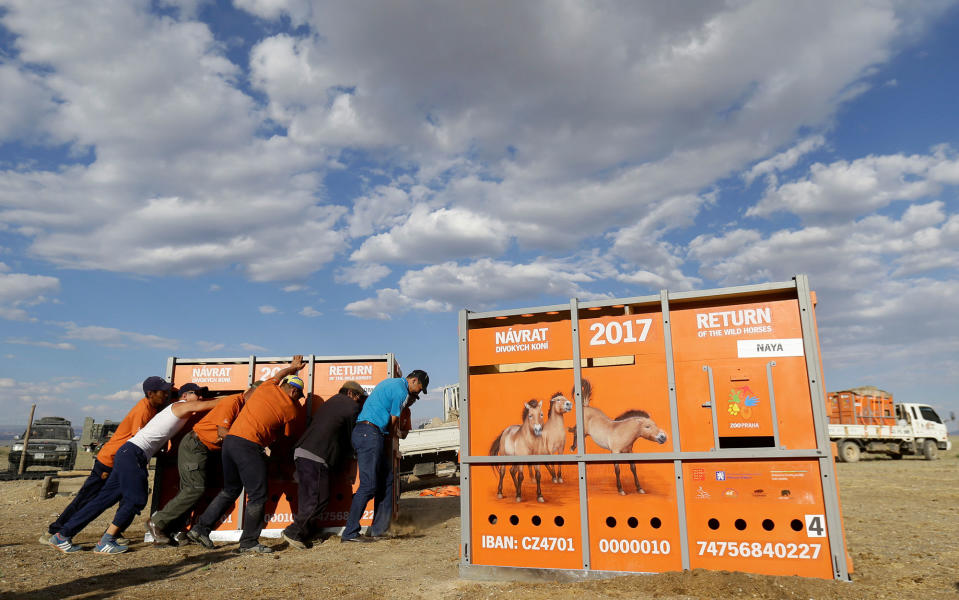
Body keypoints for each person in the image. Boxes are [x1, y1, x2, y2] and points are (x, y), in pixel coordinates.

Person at [49, 384, 220, 553]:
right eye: (195, 393)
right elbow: (205, 405)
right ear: (184, 396)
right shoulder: (180, 406)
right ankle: (106, 541)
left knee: (104, 499)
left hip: (128, 453)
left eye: (200, 394)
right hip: (133, 454)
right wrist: (238, 398)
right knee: (136, 499)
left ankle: (63, 535)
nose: (199, 396)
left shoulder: (177, 409)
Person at [188, 356, 307, 554]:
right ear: (294, 391)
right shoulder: (292, 409)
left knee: (230, 490)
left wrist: (293, 368)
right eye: (299, 395)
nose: (298, 399)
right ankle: (249, 542)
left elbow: (278, 376)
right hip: (249, 446)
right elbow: (285, 434)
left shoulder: (266, 388)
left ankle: (201, 529)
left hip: (231, 442)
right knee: (258, 495)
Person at [43, 376, 172, 544]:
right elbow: (139, 440)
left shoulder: (153, 408)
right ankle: (56, 531)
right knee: (88, 498)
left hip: (119, 461)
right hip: (110, 461)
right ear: (151, 393)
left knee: (127, 498)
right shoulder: (144, 410)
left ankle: (113, 534)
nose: (167, 395)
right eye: (163, 392)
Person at [147, 382, 260, 546]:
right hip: (196, 445)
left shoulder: (241, 405)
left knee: (191, 490)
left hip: (204, 448)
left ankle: (175, 530)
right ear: (253, 393)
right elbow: (222, 432)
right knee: (195, 488)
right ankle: (157, 522)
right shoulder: (234, 401)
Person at [340, 369, 428, 543]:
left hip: (367, 433)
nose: (419, 391)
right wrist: (388, 440)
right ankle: (350, 533)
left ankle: (379, 529)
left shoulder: (391, 383)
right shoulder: (402, 391)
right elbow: (393, 420)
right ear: (414, 381)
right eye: (420, 387)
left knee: (387, 480)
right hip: (370, 433)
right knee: (369, 485)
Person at [281, 381, 367, 549]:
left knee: (308, 498)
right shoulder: (351, 406)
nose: (358, 401)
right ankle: (294, 532)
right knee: (319, 499)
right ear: (350, 393)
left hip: (303, 452)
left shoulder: (331, 402)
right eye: (358, 397)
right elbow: (351, 437)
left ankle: (305, 532)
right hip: (317, 455)